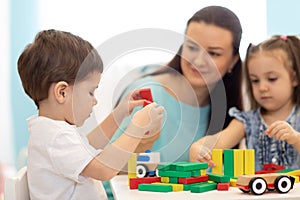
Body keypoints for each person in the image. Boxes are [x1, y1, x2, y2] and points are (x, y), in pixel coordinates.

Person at [17, 29, 164, 200]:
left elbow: (89, 146)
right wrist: (136, 128)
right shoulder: (57, 136)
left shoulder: (51, 131)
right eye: (90, 92)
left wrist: (119, 114)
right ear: (62, 92)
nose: (95, 101)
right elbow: (104, 169)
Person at [111, 5, 243, 162]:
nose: (199, 61)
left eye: (214, 53)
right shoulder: (148, 94)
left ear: (233, 61)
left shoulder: (230, 109)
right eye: (192, 47)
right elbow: (108, 169)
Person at [190, 35, 300, 170]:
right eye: (255, 80)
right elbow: (219, 140)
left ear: (294, 78)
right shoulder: (247, 121)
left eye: (272, 79)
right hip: (259, 189)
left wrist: (296, 138)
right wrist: (199, 147)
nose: (262, 88)